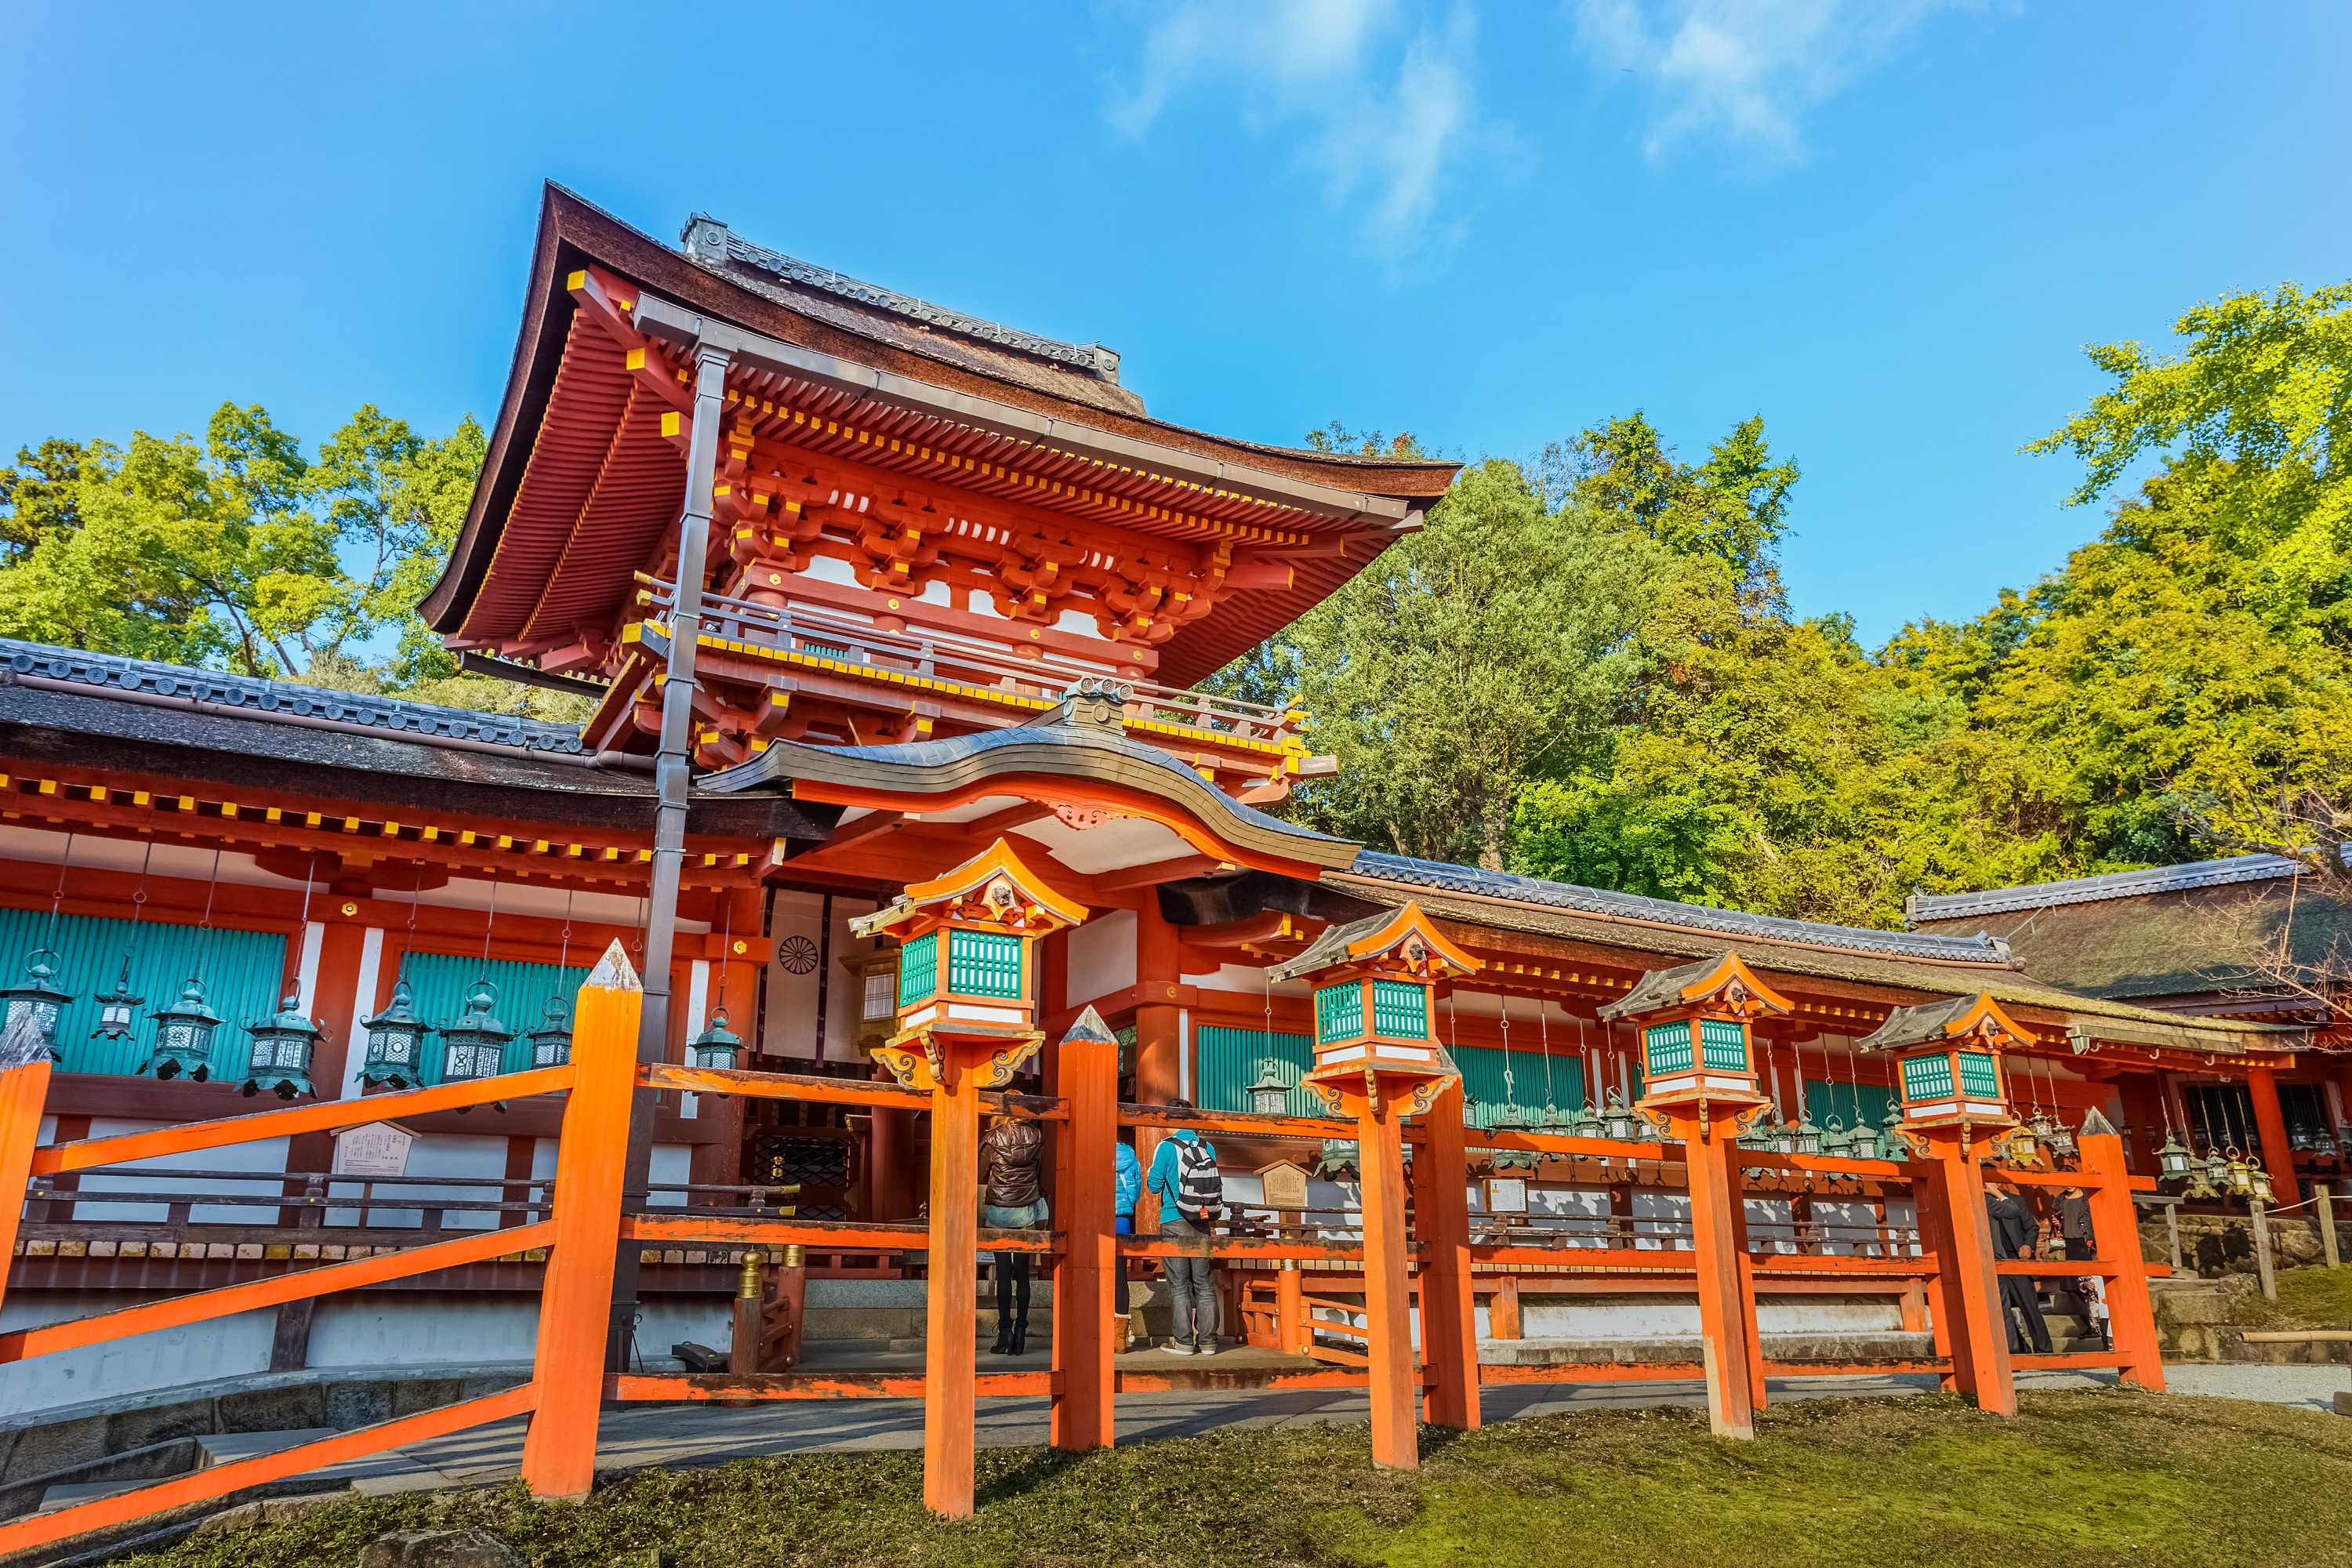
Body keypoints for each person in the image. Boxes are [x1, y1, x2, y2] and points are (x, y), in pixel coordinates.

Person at [1147, 1099, 1223, 1356]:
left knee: (1179, 1285)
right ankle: (1209, 1342)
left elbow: (1154, 1185)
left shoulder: (1166, 1147)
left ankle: (1183, 1342)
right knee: (1203, 1283)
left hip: (1174, 1218)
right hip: (1203, 1220)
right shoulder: (1207, 1146)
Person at [980, 1112, 1047, 1356]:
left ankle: (1005, 1332)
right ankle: (1020, 1333)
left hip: (998, 1210)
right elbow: (1041, 1171)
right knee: (1023, 1275)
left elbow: (981, 1174)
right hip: (1026, 1210)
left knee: (1004, 1274)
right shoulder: (1037, 1137)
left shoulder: (992, 1138)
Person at [1985, 1180, 2053, 1354]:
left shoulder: (2016, 1200)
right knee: (2002, 1310)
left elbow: (2031, 1227)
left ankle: (2044, 1350)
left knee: (2029, 1307)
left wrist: (2029, 1246)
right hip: (1993, 1262)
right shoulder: (1980, 1201)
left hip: (2016, 1259)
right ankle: (2018, 1351)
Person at [1113, 1138, 1143, 1352]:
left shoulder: (1092, 1151)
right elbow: (1137, 1192)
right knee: (1119, 1276)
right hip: (1122, 1219)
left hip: (1097, 1220)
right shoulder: (1131, 1157)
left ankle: (1096, 1329)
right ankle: (1120, 1338)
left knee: (1094, 1273)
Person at [2053, 1185, 2096, 1320]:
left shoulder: (2089, 1197)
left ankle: (2098, 1323)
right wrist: (2057, 1223)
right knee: (2070, 1286)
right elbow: (2060, 1221)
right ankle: (2087, 1324)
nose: (2068, 1184)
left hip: (2087, 1243)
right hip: (2068, 1244)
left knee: (2091, 1283)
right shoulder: (2059, 1200)